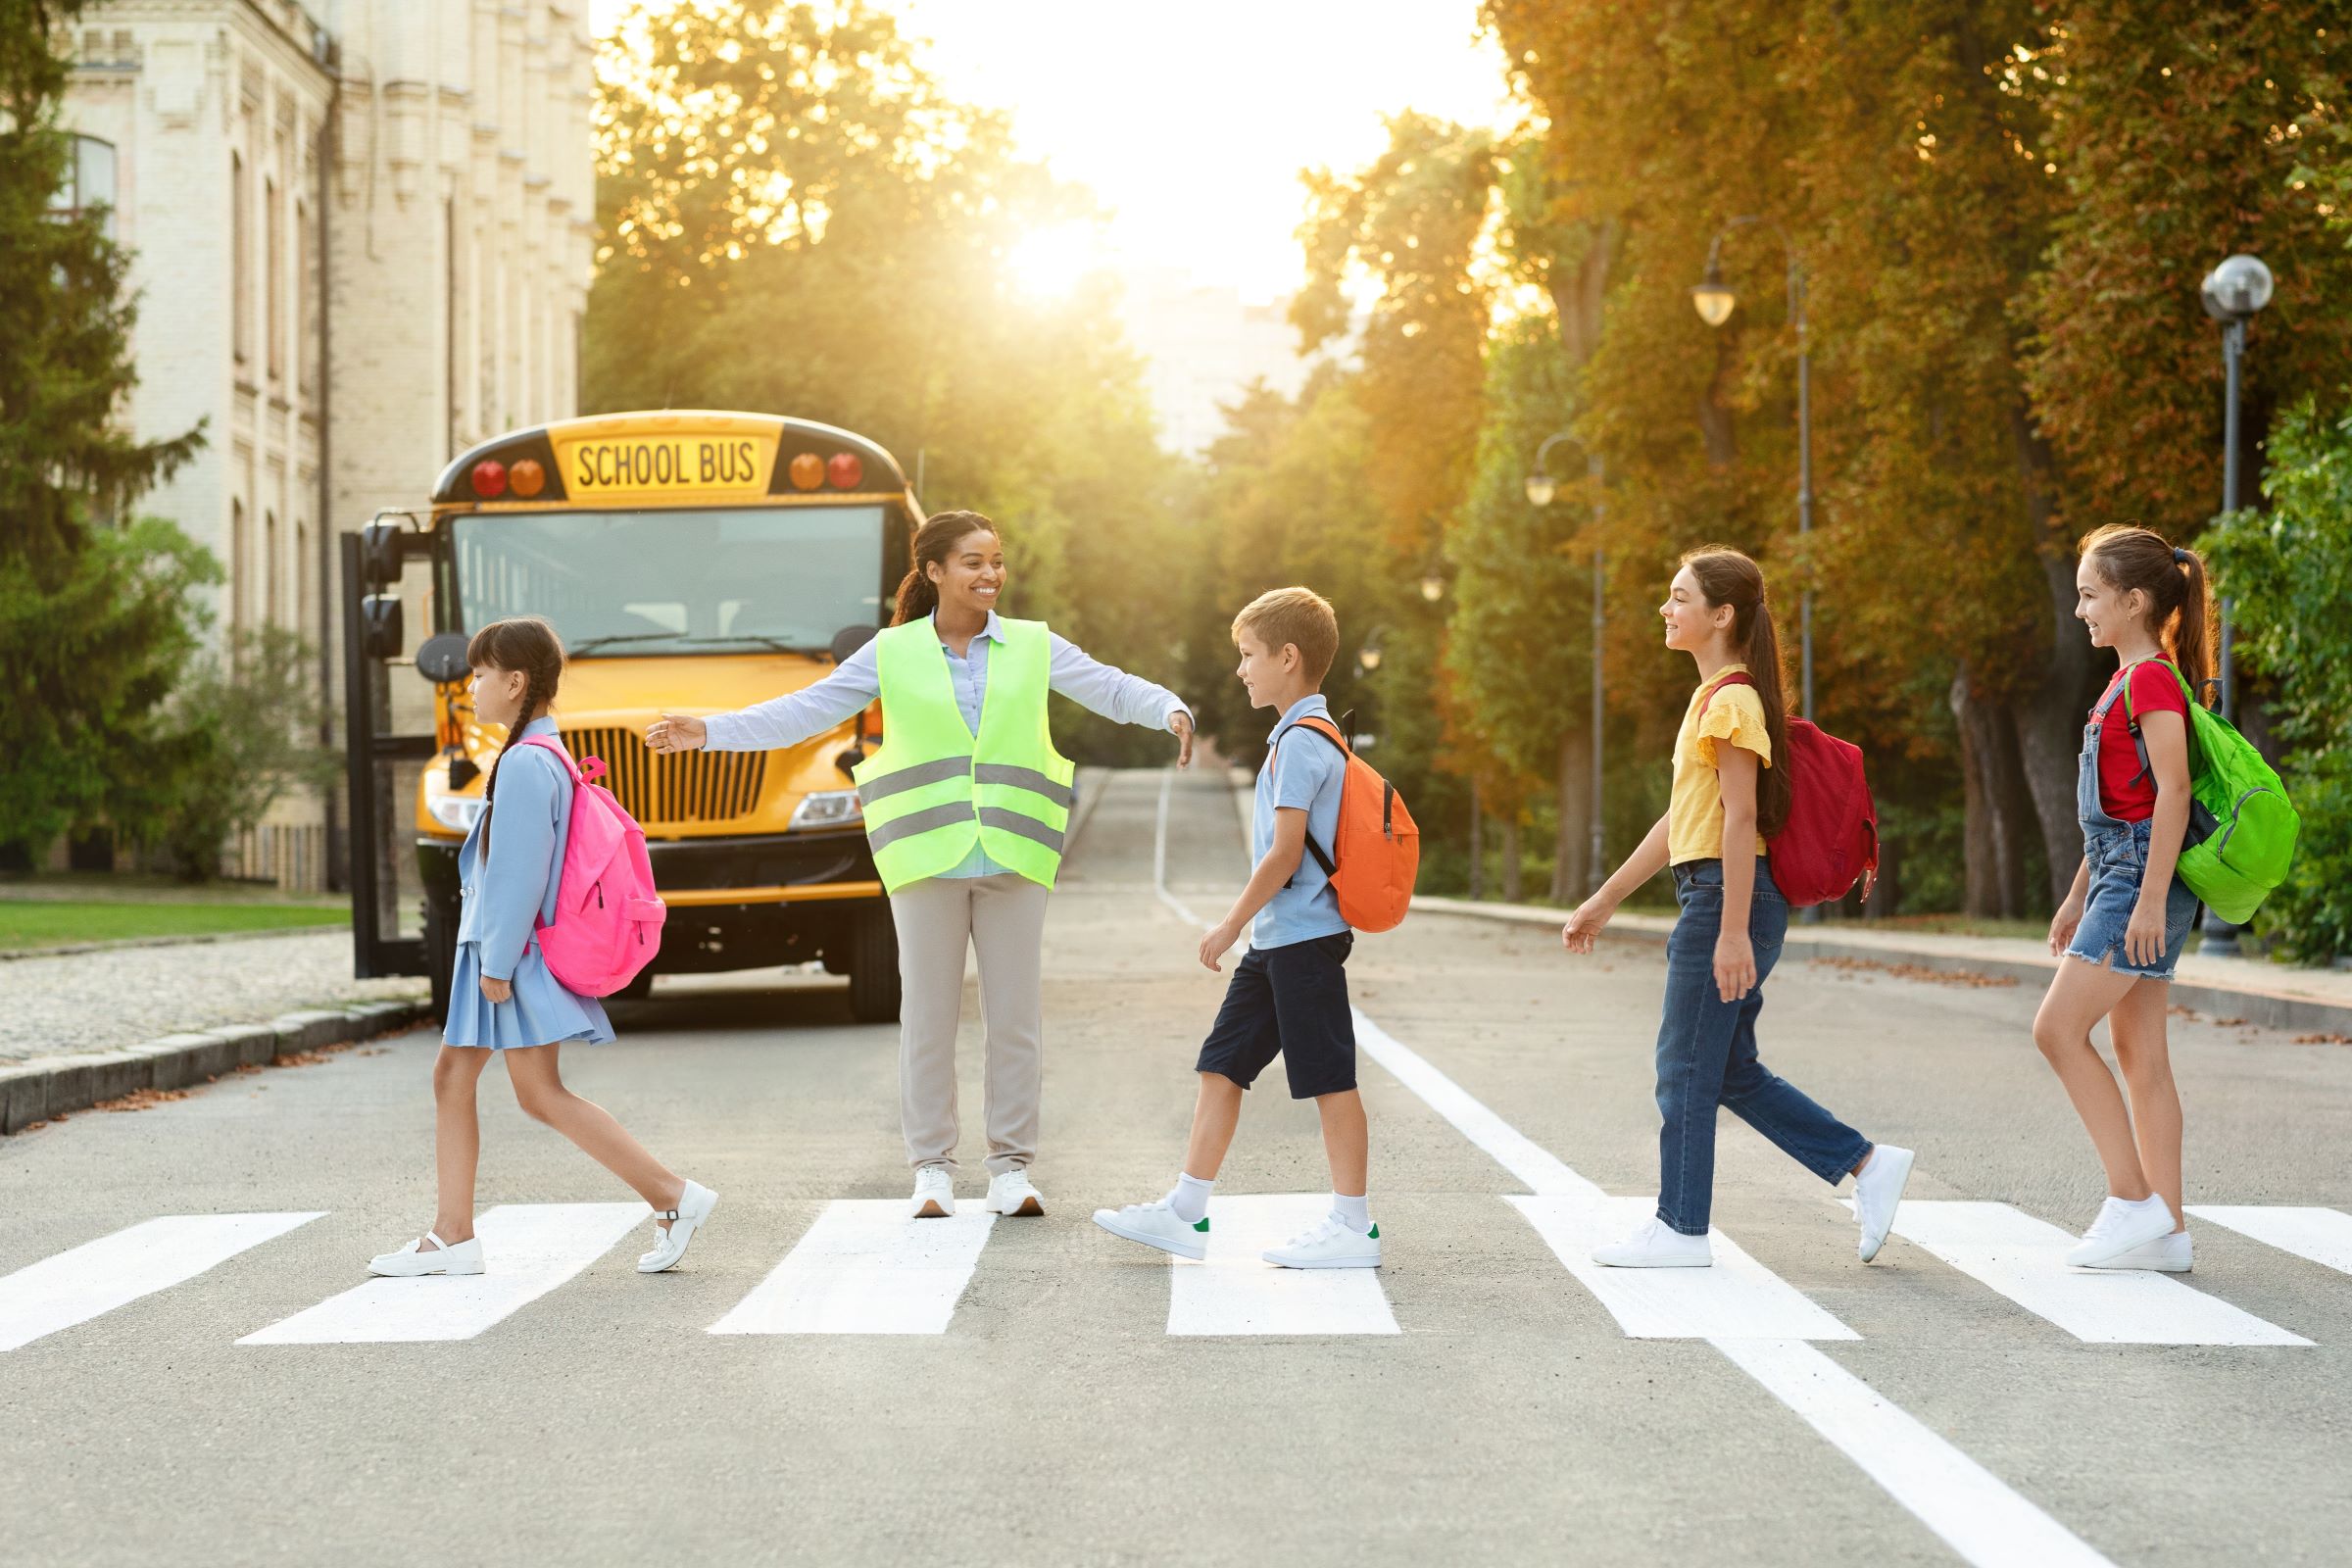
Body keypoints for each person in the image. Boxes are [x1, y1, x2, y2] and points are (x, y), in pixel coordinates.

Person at [647, 511, 1194, 1219]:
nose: (990, 573)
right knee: (928, 1019)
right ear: (934, 571)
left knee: (1016, 1019)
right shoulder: (891, 652)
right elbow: (804, 713)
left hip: (1015, 855)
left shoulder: (1032, 645)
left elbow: (1111, 687)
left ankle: (1010, 1169)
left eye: (996, 560)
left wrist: (1169, 709)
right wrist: (709, 731)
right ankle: (932, 1168)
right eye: (972, 561)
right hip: (924, 858)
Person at [1560, 547, 1914, 1268]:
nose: (1666, 608)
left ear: (1721, 615)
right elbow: (1679, 822)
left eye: (1679, 596)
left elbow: (1741, 820)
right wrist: (1603, 900)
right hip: (1717, 892)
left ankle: (1681, 1228)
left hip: (1729, 898)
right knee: (1726, 1070)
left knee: (1683, 1068)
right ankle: (1867, 1166)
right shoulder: (1712, 700)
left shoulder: (1732, 702)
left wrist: (1729, 934)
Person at [370, 615, 716, 1279]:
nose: (471, 687)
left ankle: (671, 1195)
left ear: (516, 681)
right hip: (506, 949)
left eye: (479, 674)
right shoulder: (539, 753)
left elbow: (521, 871)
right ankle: (457, 1235)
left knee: (524, 1090)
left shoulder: (528, 761)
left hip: (509, 952)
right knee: (493, 1084)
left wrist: (495, 963)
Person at [1093, 586, 1381, 1269]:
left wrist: (1226, 925)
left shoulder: (1303, 746)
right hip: (1278, 944)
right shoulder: (1299, 738)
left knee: (1329, 1079)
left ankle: (1354, 1227)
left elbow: (1285, 856)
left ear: (1288, 657)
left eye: (1249, 656)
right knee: (1221, 1067)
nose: (1242, 669)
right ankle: (1185, 1213)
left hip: (1302, 942)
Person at [2034, 525, 2211, 1271]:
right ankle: (2166, 1232)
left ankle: (2131, 1201)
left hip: (2140, 881)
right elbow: (2117, 810)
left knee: (2056, 1030)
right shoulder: (2128, 680)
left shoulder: (2151, 681)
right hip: (2119, 872)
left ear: (2134, 601)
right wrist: (2078, 896)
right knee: (2140, 1054)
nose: (2080, 610)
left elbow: (2173, 793)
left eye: (2089, 595)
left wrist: (2148, 900)